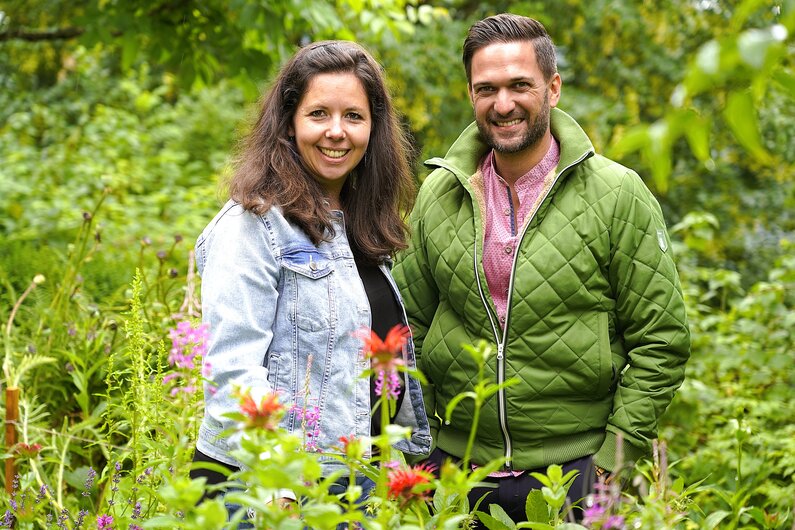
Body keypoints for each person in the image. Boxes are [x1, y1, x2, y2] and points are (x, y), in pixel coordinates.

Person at [393, 13, 690, 524]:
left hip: (575, 472)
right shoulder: (438, 196)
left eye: (519, 85)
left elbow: (661, 339)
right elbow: (406, 328)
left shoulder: (617, 194)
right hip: (456, 472)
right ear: (470, 94)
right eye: (486, 88)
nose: (502, 104)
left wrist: (613, 464)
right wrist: (420, 450)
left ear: (552, 88)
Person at [190, 40, 431, 525]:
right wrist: (281, 480)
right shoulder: (253, 225)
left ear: (374, 128)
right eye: (319, 113)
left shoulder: (359, 230)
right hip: (266, 490)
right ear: (289, 123)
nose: (337, 132)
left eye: (354, 116)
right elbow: (234, 371)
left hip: (350, 480)